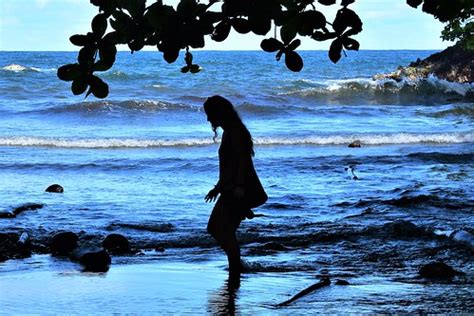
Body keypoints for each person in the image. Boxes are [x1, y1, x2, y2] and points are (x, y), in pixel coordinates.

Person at [203, 95, 267, 283]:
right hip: (230, 187)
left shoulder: (235, 131)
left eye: (209, 114)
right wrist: (217, 187)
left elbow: (242, 161)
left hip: (238, 189)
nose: (208, 119)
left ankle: (235, 268)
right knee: (220, 229)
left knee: (218, 229)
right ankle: (235, 265)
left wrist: (239, 186)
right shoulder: (230, 131)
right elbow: (229, 164)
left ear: (218, 112)